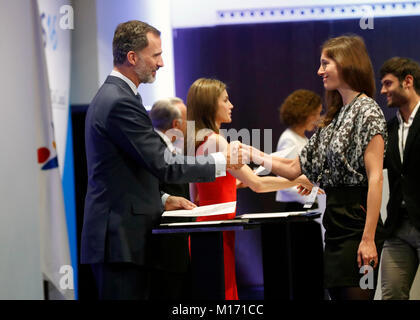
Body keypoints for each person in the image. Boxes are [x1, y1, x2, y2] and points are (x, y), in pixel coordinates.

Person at [81, 21, 244, 300]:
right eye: (155, 55)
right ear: (132, 57)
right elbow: (164, 164)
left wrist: (162, 199)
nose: (162, 63)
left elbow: (126, 171)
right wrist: (222, 161)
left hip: (123, 242)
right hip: (120, 244)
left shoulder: (119, 97)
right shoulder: (119, 101)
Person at [242, 35, 387, 300]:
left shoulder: (368, 110)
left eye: (325, 63)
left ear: (346, 63)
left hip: (357, 225)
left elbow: (375, 178)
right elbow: (294, 167)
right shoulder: (333, 116)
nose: (319, 71)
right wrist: (252, 153)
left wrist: (368, 238)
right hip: (334, 225)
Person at [187, 78, 310, 300]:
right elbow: (258, 184)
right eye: (225, 100)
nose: (231, 105)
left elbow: (198, 194)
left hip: (204, 232)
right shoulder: (217, 141)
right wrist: (298, 180)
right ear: (210, 105)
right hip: (218, 232)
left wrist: (238, 182)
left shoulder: (196, 140)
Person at [379, 57, 420, 300]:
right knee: (391, 294)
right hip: (397, 227)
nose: (382, 91)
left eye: (387, 84)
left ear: (408, 81)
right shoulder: (388, 129)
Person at [148, 97, 192, 299]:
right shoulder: (156, 149)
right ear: (176, 125)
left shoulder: (167, 148)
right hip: (164, 247)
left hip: (171, 244)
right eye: (187, 119)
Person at [275, 89, 324, 212]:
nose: (318, 119)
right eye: (315, 114)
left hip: (307, 203)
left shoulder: (304, 139)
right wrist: (315, 196)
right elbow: (285, 182)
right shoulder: (288, 139)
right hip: (297, 207)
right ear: (303, 113)